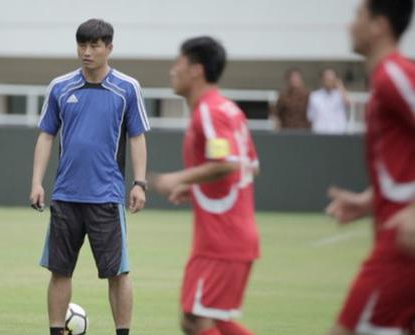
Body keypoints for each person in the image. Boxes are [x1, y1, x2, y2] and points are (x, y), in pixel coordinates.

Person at [29, 18, 150, 335]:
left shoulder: (127, 89)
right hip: (65, 197)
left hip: (106, 198)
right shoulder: (60, 87)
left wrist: (139, 183)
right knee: (59, 271)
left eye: (94, 45)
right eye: (82, 44)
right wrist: (37, 182)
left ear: (109, 48)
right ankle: (56, 331)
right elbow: (46, 135)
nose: (87, 51)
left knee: (118, 273)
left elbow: (137, 137)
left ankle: (122, 332)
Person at [152, 36, 260, 335]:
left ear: (196, 70)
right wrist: (198, 185)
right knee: (209, 319)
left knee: (196, 319)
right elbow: (251, 165)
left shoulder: (209, 111)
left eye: (179, 64)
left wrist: (180, 178)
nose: (173, 71)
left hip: (222, 237)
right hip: (227, 235)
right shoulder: (229, 110)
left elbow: (226, 164)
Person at [325, 0, 415, 334]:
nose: (350, 25)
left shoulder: (395, 75)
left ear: (379, 25)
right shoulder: (383, 80)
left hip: (401, 247)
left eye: (358, 16)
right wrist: (368, 200)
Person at [307, 68, 352, 134]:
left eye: (331, 78)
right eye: (326, 78)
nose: (328, 80)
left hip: (338, 133)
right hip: (320, 133)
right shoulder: (315, 96)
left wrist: (340, 86)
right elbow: (311, 116)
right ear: (322, 80)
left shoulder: (340, 94)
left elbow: (348, 105)